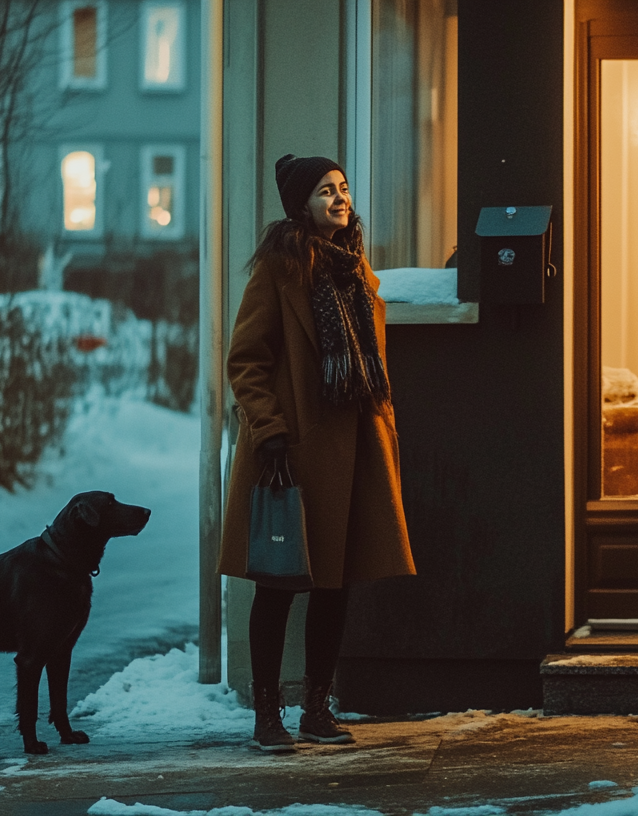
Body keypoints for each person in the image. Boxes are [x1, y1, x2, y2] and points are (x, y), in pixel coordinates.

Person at [218, 154, 414, 752]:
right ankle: (267, 716)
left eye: (344, 188)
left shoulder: (356, 270)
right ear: (300, 204)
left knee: (337, 584)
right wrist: (270, 431)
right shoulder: (279, 272)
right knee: (279, 585)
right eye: (326, 190)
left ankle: (316, 709)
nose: (340, 197)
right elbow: (245, 361)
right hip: (294, 452)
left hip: (357, 448)